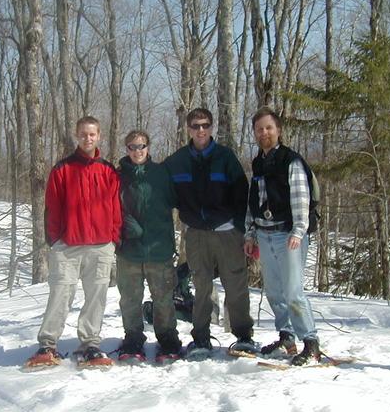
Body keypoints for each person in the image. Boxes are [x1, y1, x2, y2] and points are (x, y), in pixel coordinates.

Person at [25, 116, 121, 368]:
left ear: (99, 136)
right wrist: (55, 239)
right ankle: (47, 344)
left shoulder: (108, 171)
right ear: (76, 135)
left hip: (101, 245)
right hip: (68, 246)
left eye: (92, 134)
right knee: (61, 293)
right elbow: (52, 208)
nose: (87, 138)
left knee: (96, 296)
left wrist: (113, 238)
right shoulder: (62, 169)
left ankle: (90, 344)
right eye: (83, 134)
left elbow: (115, 208)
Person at [164, 108, 254, 360]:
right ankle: (201, 337)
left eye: (205, 125)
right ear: (188, 129)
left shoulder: (225, 158)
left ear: (211, 127)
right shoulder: (178, 161)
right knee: (201, 286)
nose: (200, 130)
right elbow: (161, 188)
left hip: (227, 232)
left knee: (235, 284)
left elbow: (242, 193)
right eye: (195, 126)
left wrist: (238, 227)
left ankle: (244, 336)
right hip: (196, 234)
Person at [243, 106, 320, 366]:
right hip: (264, 235)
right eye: (259, 129)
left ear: (279, 130)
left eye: (268, 128)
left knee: (293, 291)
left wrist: (299, 230)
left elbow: (301, 198)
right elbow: (252, 202)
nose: (264, 133)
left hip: (288, 235)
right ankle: (287, 337)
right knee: (275, 291)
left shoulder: (291, 161)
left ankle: (311, 344)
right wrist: (250, 232)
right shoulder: (259, 163)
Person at [116, 130, 182, 364]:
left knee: (163, 298)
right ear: (127, 149)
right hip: (129, 250)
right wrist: (124, 224)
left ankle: (167, 339)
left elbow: (181, 199)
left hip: (159, 248)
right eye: (132, 147)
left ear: (148, 147)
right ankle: (133, 338)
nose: (137, 151)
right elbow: (109, 206)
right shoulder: (118, 175)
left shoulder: (161, 173)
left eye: (141, 146)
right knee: (130, 299)